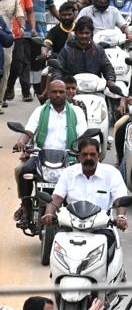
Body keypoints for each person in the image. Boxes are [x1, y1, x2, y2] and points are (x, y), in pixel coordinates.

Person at [12, 78, 87, 227]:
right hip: (40, 155)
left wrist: (84, 150)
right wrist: (21, 142)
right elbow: (29, 130)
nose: (58, 95)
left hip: (68, 157)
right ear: (48, 94)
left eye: (61, 92)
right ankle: (26, 209)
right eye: (54, 92)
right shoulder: (40, 111)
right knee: (23, 170)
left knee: (84, 174)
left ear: (66, 93)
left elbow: (83, 136)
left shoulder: (77, 112)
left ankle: (81, 212)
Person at [47, 19, 117, 89]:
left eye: (87, 33)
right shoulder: (66, 50)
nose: (84, 36)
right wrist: (58, 80)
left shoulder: (99, 50)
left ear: (91, 34)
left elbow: (107, 66)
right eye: (81, 33)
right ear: (76, 33)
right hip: (72, 90)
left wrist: (110, 80)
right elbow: (58, 69)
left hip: (95, 89)